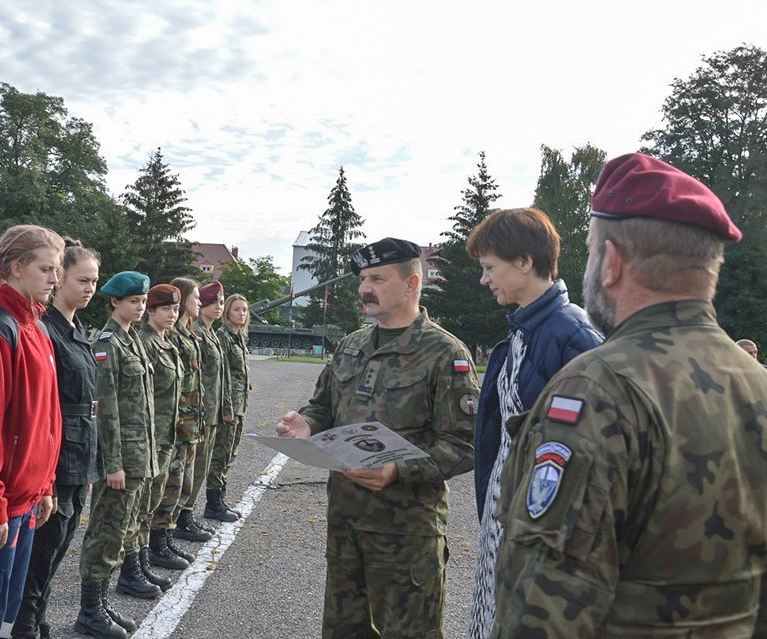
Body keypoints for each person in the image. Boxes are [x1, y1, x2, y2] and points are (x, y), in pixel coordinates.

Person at [491, 153, 767, 637]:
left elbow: (540, 613)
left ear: (611, 262)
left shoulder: (597, 391)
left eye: (594, 251)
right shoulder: (756, 383)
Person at [276, 237, 480, 639]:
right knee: (343, 630)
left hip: (406, 532)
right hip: (347, 522)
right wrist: (307, 425)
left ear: (411, 284)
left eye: (377, 279)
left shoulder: (444, 353)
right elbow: (323, 405)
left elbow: (464, 444)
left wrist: (397, 469)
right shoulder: (352, 345)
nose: (364, 288)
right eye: (363, 278)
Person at [465, 208, 602, 639]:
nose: (485, 280)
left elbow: (592, 450)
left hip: (541, 523)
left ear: (524, 261)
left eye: (490, 267)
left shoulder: (573, 333)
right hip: (509, 510)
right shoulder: (521, 332)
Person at [0, 224, 65, 639]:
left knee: (5, 613)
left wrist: (46, 486)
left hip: (26, 500)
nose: (55, 280)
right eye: (47, 269)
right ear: (16, 269)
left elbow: (45, 419)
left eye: (56, 270)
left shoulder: (36, 328)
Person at [12, 239, 102, 639]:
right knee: (43, 546)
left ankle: (37, 617)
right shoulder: (45, 330)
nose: (90, 288)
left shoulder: (74, 328)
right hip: (57, 452)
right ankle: (25, 624)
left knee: (60, 541)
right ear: (59, 275)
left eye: (95, 281)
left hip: (80, 451)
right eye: (82, 279)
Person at [76, 271, 156, 639]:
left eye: (142, 302)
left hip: (140, 455)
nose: (140, 308)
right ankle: (89, 611)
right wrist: (113, 464)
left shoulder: (133, 340)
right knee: (105, 533)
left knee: (121, 531)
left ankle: (102, 604)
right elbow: (105, 409)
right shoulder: (108, 343)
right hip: (121, 459)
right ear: (115, 302)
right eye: (133, 302)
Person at [135, 284, 191, 577]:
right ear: (151, 311)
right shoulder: (145, 344)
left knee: (155, 500)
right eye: (165, 309)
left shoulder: (167, 343)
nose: (172, 314)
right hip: (150, 439)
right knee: (143, 506)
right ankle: (139, 561)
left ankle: (147, 555)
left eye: (175, 309)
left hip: (166, 437)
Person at [168, 277, 216, 544]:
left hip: (192, 418)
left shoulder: (188, 334)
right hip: (179, 421)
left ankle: (176, 525)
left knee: (185, 480)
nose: (199, 302)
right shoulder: (173, 335)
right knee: (172, 484)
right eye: (195, 298)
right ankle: (162, 538)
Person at [185, 281, 237, 523]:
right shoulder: (197, 332)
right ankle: (183, 516)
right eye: (213, 302)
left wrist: (225, 407)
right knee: (194, 468)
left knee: (203, 466)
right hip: (201, 412)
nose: (219, 306)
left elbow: (221, 376)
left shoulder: (209, 333)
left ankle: (187, 514)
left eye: (221, 302)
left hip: (213, 411)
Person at [212, 293, 252, 518]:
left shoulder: (239, 337)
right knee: (221, 453)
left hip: (240, 405)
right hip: (229, 407)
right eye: (237, 309)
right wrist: (226, 407)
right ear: (227, 312)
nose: (241, 313)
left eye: (244, 310)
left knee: (231, 452)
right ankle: (213, 503)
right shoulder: (223, 336)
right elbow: (223, 375)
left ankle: (221, 498)